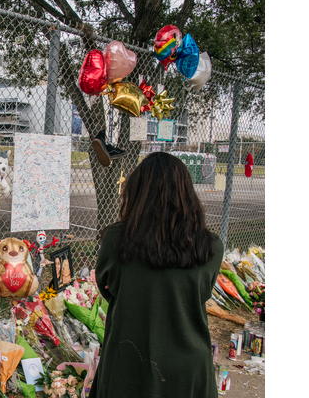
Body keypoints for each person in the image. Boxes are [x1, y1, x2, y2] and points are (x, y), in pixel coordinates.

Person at [89, 152, 224, 398]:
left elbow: (107, 286)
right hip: (188, 365)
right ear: (187, 193)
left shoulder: (117, 240)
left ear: (137, 192)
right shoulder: (211, 246)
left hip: (127, 361)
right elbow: (201, 293)